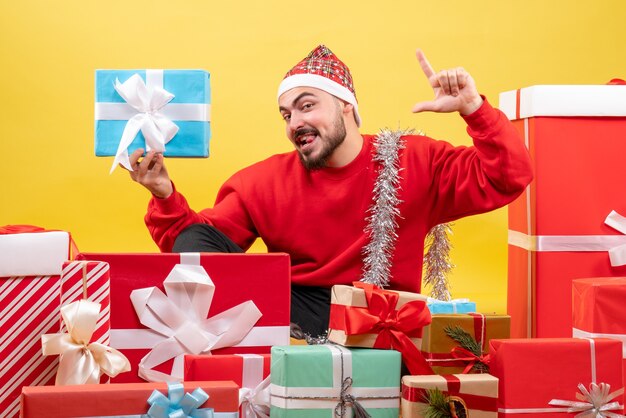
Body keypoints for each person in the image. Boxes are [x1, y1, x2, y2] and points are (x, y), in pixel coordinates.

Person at [124, 45, 533, 337]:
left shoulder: (416, 160)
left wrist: (474, 109)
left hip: (380, 326)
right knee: (201, 245)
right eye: (286, 114)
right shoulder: (261, 182)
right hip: (291, 318)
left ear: (346, 107)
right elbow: (193, 246)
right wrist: (163, 194)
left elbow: (508, 177)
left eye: (306, 106)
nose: (293, 123)